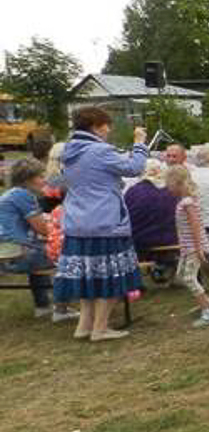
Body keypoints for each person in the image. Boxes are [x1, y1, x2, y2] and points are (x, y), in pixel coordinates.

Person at [54, 108, 149, 342]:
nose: (109, 130)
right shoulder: (99, 150)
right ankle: (100, 329)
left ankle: (84, 326)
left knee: (89, 277)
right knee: (110, 276)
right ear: (96, 126)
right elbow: (134, 168)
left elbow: (62, 182)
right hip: (105, 221)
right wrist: (139, 143)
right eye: (107, 125)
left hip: (77, 222)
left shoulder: (68, 151)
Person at [0, 159, 77, 321]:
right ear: (28, 179)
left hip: (6, 254)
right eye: (41, 176)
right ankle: (61, 309)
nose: (44, 180)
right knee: (68, 256)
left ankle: (42, 306)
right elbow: (42, 229)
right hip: (16, 255)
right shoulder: (24, 196)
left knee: (39, 248)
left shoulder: (9, 195)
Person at [165, 165, 209, 328]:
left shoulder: (187, 202)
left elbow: (195, 226)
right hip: (188, 247)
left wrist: (199, 248)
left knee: (189, 278)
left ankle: (207, 312)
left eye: (169, 184)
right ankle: (205, 301)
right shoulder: (184, 202)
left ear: (177, 183)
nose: (167, 188)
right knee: (181, 275)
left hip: (194, 247)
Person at [125, 160, 179, 276]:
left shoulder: (133, 191)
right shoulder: (170, 190)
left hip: (141, 239)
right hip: (170, 237)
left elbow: (125, 215)